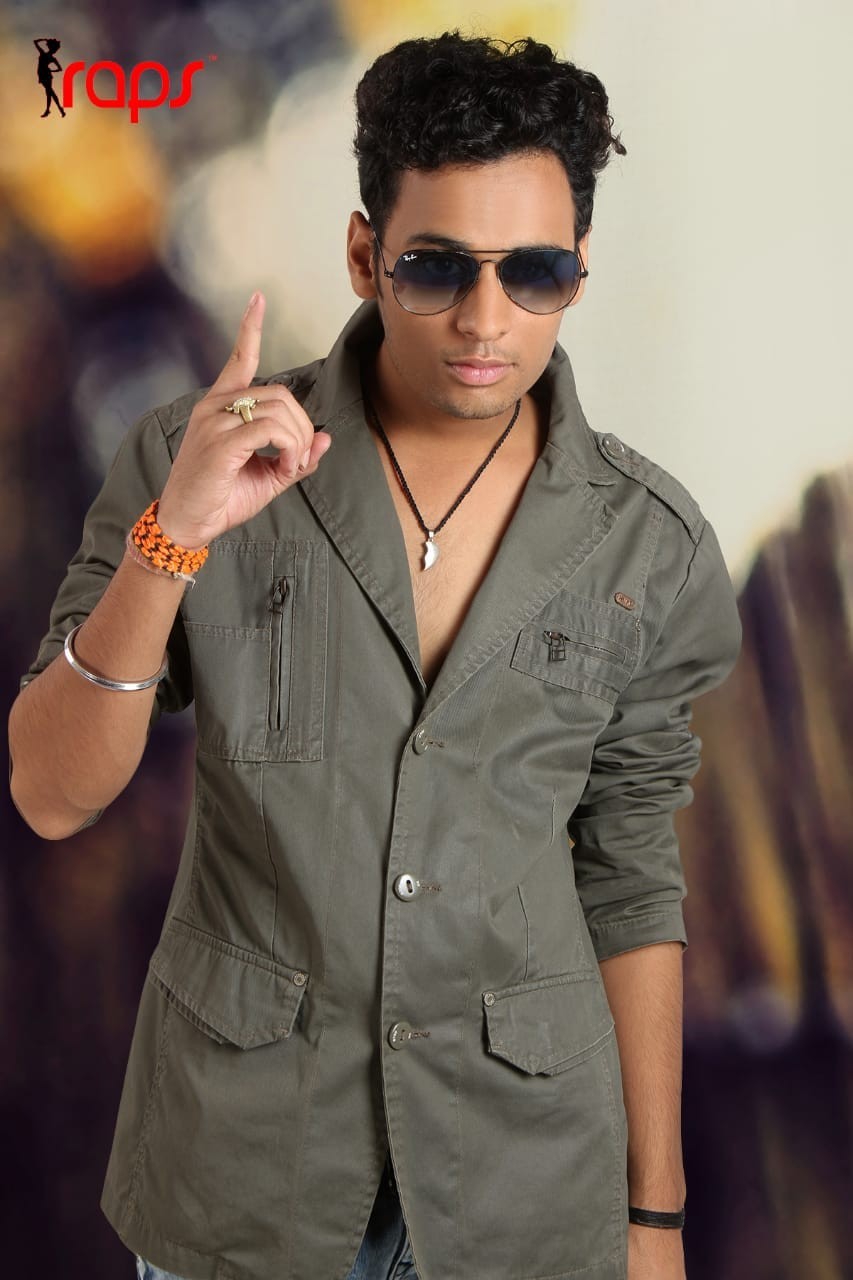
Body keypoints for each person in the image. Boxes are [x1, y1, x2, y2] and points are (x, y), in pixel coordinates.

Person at [8, 30, 743, 1280]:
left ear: (580, 269)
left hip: (520, 1191)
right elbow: (50, 791)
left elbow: (629, 878)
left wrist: (654, 1216)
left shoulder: (648, 541)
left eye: (534, 271)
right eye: (435, 265)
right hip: (244, 1183)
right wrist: (172, 540)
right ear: (363, 254)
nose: (485, 317)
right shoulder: (192, 460)